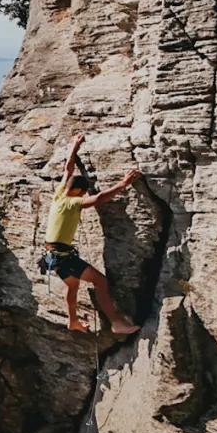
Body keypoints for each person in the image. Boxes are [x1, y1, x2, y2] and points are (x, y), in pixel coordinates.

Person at [44, 134, 141, 334]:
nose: (83, 196)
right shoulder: (72, 203)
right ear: (78, 190)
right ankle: (116, 324)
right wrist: (123, 184)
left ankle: (73, 321)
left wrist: (74, 146)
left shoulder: (59, 194)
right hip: (62, 256)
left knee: (72, 286)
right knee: (100, 281)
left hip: (53, 256)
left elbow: (68, 169)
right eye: (82, 193)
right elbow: (99, 198)